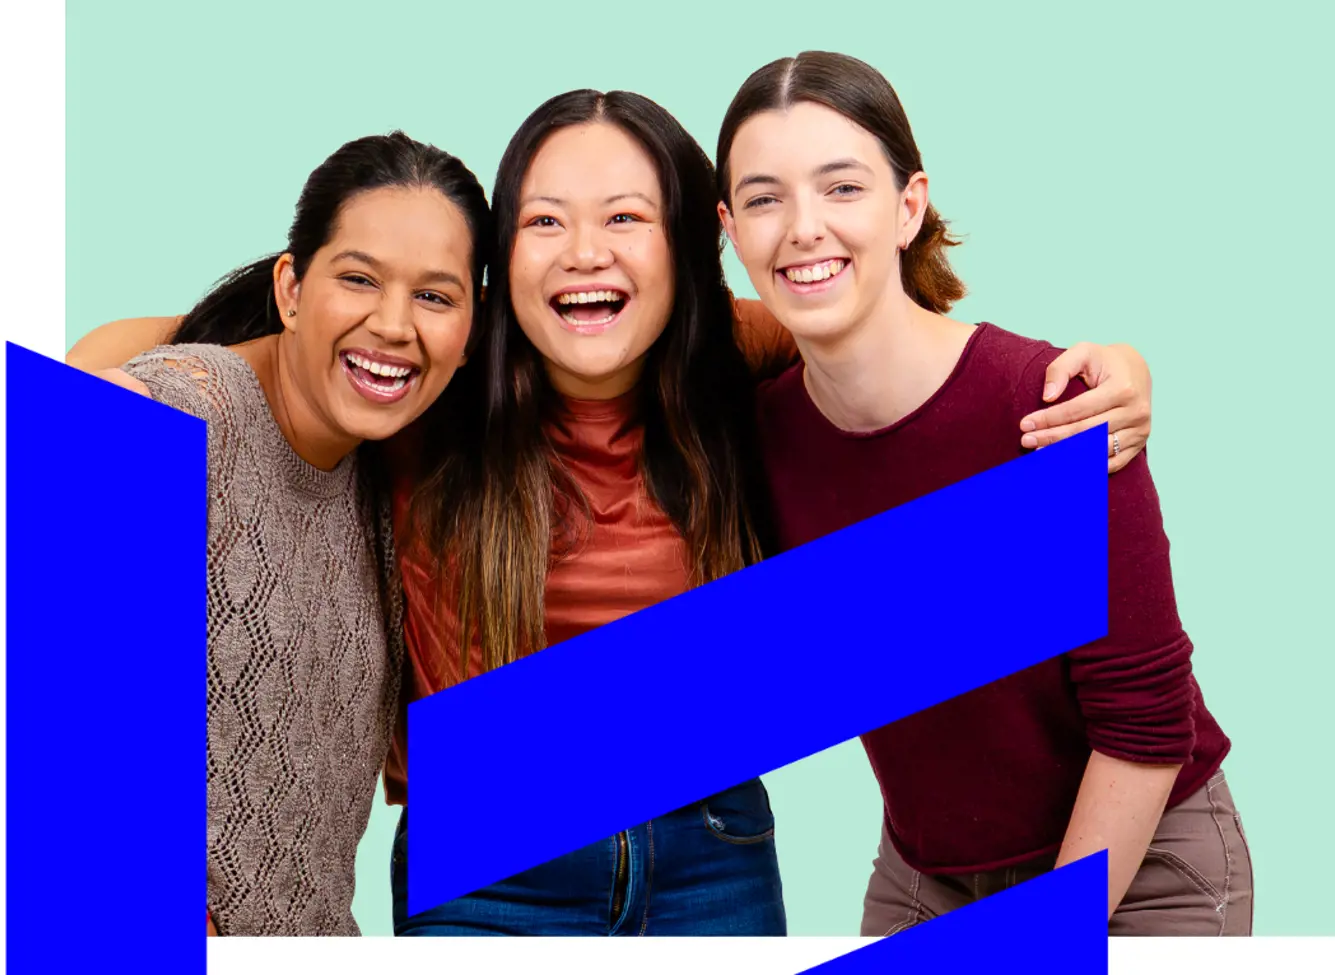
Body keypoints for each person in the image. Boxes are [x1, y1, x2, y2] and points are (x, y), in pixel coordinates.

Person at [67, 95, 1155, 936]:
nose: (585, 252)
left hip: (709, 826)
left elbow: (891, 338)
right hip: (487, 831)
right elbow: (226, 350)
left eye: (625, 220)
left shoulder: (733, 359)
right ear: (500, 277)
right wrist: (96, 397)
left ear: (686, 255)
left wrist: (1109, 366)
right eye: (545, 222)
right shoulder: (439, 370)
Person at [716, 51, 1250, 936]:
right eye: (765, 198)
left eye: (841, 187)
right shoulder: (758, 433)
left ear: (908, 206)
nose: (802, 227)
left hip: (1141, 857)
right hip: (930, 871)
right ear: (730, 230)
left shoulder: (1049, 408)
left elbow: (1145, 728)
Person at [86, 131, 491, 936]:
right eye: (358, 279)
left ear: (473, 327)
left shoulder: (380, 472)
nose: (393, 324)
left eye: (435, 297)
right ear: (292, 287)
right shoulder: (186, 416)